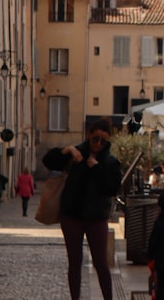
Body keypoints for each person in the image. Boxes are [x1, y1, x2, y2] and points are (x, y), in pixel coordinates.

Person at [43, 117, 123, 300]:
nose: (99, 144)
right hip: (72, 215)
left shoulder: (110, 162)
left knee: (101, 263)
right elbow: (48, 160)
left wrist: (97, 169)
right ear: (89, 135)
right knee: (74, 261)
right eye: (95, 139)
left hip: (97, 218)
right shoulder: (76, 153)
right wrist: (66, 150)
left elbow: (113, 188)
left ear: (108, 140)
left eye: (103, 140)